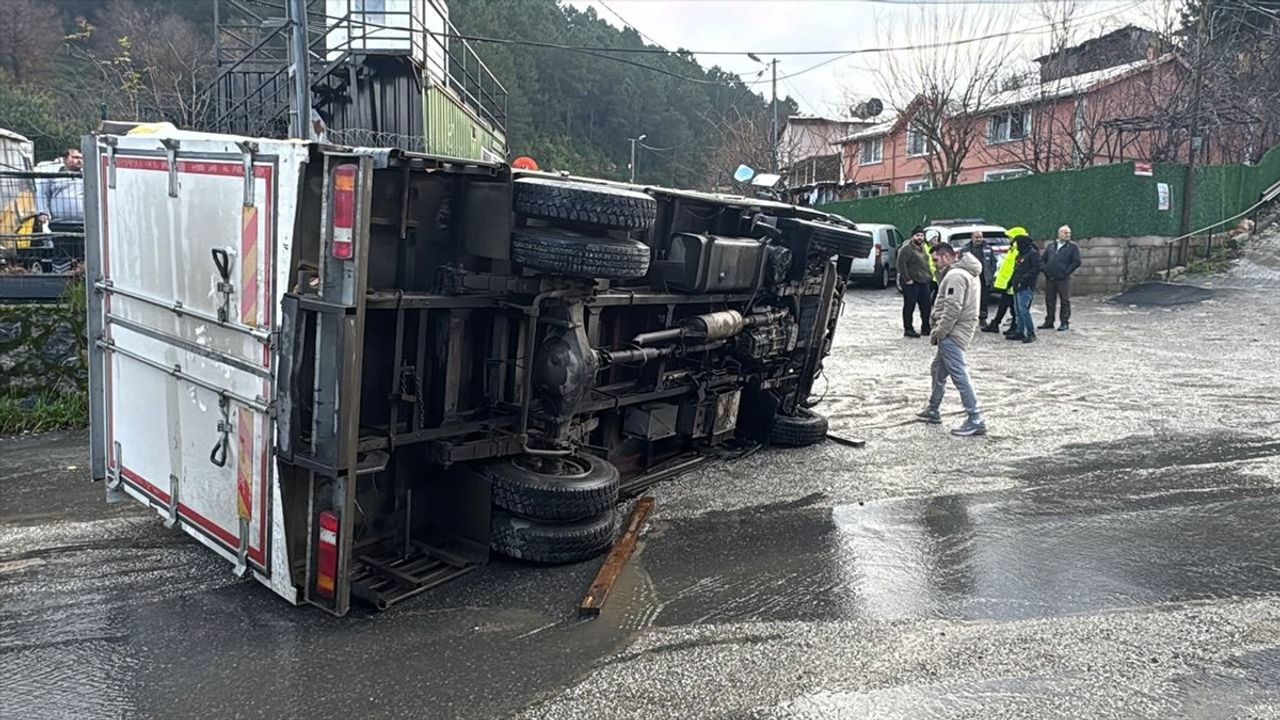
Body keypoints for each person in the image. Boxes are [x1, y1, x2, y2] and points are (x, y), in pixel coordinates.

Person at [916, 242, 986, 437]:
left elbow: (952, 308)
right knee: (938, 369)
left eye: (936, 259)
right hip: (956, 331)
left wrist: (939, 332)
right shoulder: (966, 272)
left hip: (952, 334)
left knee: (959, 375)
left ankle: (976, 418)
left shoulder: (956, 276)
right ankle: (933, 409)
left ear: (947, 256)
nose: (934, 263)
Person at [982, 227, 1024, 333]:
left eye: (1010, 237)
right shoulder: (1013, 248)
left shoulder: (1019, 249)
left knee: (1013, 307)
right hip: (1007, 282)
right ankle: (996, 323)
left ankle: (1013, 326)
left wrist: (1011, 281)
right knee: (1004, 304)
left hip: (1012, 282)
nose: (1008, 239)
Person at [1039, 224, 1081, 331]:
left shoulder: (1073, 247)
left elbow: (1076, 262)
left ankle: (1064, 322)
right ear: (1059, 234)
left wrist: (1066, 272)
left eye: (1069, 233)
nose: (1068, 235)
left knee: (1065, 301)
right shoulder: (1051, 245)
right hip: (1050, 278)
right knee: (1049, 300)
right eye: (1066, 233)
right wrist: (1045, 269)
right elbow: (1043, 259)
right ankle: (1049, 321)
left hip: (1063, 279)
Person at [897, 226, 934, 338]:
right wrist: (907, 279)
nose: (920, 238)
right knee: (909, 306)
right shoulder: (906, 249)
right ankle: (908, 329)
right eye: (917, 235)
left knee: (926, 306)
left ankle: (926, 327)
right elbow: (901, 264)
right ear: (913, 236)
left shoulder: (923, 247)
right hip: (911, 282)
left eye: (922, 236)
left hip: (924, 281)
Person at [36, 148, 84, 227]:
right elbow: (43, 194)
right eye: (75, 158)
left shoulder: (88, 176)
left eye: (81, 158)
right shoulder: (53, 175)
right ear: (65, 159)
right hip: (59, 223)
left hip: (83, 223)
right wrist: (44, 213)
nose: (79, 160)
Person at [1008, 234, 1043, 343]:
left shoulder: (1033, 254)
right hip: (1017, 285)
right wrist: (1011, 282)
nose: (1016, 246)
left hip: (1026, 286)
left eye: (1017, 243)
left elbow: (1037, 269)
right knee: (1018, 310)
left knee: (1024, 310)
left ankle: (1031, 333)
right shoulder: (1020, 254)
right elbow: (1016, 269)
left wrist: (1024, 279)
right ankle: (1020, 331)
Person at [965, 230, 997, 326]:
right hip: (971, 278)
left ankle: (983, 318)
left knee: (984, 299)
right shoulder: (966, 249)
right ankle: (970, 319)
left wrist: (990, 274)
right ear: (972, 238)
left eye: (980, 237)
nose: (978, 239)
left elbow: (993, 262)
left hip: (984, 278)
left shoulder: (988, 248)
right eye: (976, 237)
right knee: (970, 300)